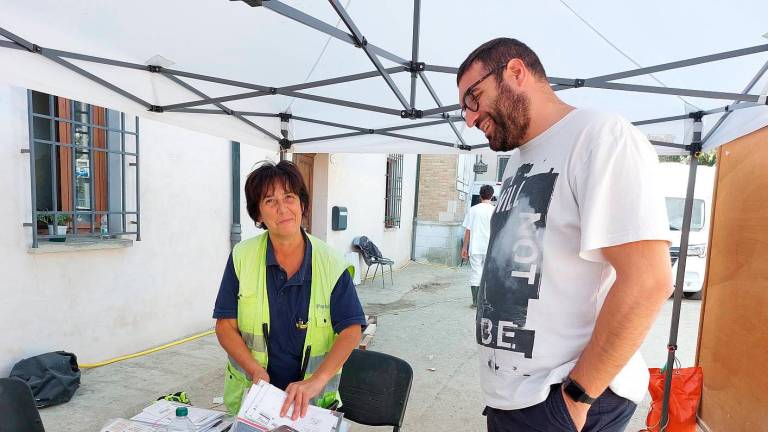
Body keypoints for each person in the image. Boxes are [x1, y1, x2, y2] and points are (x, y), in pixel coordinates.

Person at [456, 38, 673, 432]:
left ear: (516, 72)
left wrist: (577, 397)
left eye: (474, 97)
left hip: (563, 400)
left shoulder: (600, 136)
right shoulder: (520, 159)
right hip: (516, 399)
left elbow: (649, 280)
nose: (469, 119)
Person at [213, 160, 366, 419]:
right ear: (258, 214)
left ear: (302, 205)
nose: (282, 209)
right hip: (254, 397)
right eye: (270, 201)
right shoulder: (242, 256)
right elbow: (225, 326)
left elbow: (351, 330)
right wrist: (254, 371)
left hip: (312, 405)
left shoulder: (331, 263)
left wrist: (317, 380)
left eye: (289, 197)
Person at [461, 184, 495, 307]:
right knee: (489, 273)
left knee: (476, 272)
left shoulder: (473, 210)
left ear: (480, 195)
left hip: (475, 247)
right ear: (492, 196)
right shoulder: (495, 210)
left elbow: (468, 231)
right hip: (490, 248)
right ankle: (486, 301)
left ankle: (475, 301)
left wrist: (464, 248)